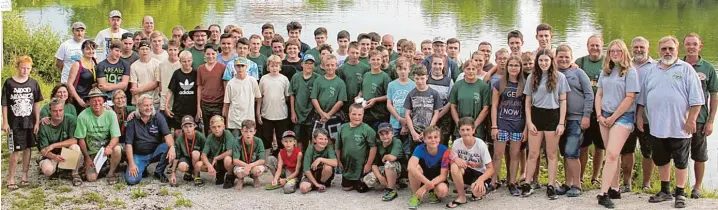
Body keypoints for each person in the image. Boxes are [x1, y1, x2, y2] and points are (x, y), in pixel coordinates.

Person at [638, 36, 705, 208]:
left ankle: (680, 193)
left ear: (677, 50)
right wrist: (639, 116)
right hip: (656, 126)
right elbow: (643, 98)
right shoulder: (652, 70)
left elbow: (697, 100)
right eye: (664, 49)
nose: (667, 52)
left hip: (680, 126)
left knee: (681, 161)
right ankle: (665, 191)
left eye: (671, 49)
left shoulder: (686, 70)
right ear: (658, 51)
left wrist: (691, 120)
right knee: (661, 159)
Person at [593, 39, 640, 208]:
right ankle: (614, 188)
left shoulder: (630, 72)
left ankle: (602, 193)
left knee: (611, 154)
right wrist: (599, 115)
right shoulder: (606, 71)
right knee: (613, 154)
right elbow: (599, 94)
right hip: (604, 115)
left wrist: (613, 118)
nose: (614, 53)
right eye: (612, 51)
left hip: (622, 117)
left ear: (624, 52)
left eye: (618, 51)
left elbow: (630, 98)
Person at [522, 49, 570, 198]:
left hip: (553, 115)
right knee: (533, 153)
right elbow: (528, 101)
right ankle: (527, 183)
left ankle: (551, 184)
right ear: (537, 61)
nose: (543, 63)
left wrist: (561, 123)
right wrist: (529, 122)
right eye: (541, 60)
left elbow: (563, 101)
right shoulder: (532, 77)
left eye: (546, 60)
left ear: (551, 61)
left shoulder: (560, 77)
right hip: (536, 115)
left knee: (551, 153)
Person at [681, 33, 717, 199]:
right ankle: (679, 186)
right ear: (684, 46)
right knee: (678, 154)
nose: (691, 47)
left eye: (694, 44)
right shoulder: (677, 65)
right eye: (688, 44)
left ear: (700, 46)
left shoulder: (708, 68)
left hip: (700, 120)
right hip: (678, 119)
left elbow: (714, 95)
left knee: (699, 155)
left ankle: (697, 187)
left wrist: (711, 121)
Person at [554, 44, 594, 197]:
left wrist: (586, 115)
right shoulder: (553, 73)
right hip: (559, 120)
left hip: (576, 119)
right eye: (560, 57)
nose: (563, 59)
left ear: (571, 58)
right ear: (555, 58)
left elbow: (589, 94)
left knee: (572, 152)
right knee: (565, 152)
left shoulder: (578, 72)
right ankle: (568, 183)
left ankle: (577, 184)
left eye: (566, 57)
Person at [2, 56, 43, 190]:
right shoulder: (9, 83)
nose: (25, 71)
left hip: (29, 122)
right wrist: (5, 122)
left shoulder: (33, 83)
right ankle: (11, 178)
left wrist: (37, 121)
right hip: (15, 123)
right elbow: (5, 104)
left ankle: (24, 175)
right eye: (23, 68)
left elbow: (37, 102)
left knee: (28, 148)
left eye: (28, 68)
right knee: (15, 151)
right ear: (18, 67)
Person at [490, 56, 526, 197]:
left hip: (518, 124)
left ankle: (512, 182)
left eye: (516, 65)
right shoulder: (499, 84)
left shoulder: (524, 85)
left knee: (515, 154)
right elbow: (494, 106)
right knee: (498, 154)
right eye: (511, 65)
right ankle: (493, 182)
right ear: (507, 67)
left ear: (520, 67)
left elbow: (527, 107)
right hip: (502, 123)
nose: (513, 68)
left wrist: (525, 129)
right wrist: (494, 126)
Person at [124, 95, 176, 185]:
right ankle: (141, 168)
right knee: (131, 180)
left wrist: (172, 147)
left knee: (169, 146)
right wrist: (132, 164)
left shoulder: (158, 117)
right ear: (139, 106)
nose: (149, 108)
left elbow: (167, 135)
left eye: (150, 105)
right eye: (145, 105)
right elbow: (128, 144)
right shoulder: (132, 120)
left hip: (155, 152)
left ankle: (159, 171)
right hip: (139, 155)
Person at [576, 35, 606, 187]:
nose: (595, 48)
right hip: (584, 111)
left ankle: (595, 177)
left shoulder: (608, 62)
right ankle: (579, 177)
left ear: (602, 45)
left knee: (600, 147)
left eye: (597, 45)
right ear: (587, 46)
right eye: (592, 45)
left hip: (603, 110)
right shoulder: (579, 62)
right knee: (583, 146)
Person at [75, 87, 122, 184]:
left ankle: (111, 173)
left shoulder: (110, 114)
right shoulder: (82, 116)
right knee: (91, 178)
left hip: (107, 150)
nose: (97, 103)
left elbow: (115, 137)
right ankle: (100, 168)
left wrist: (109, 147)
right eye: (94, 100)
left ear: (104, 101)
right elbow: (81, 139)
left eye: (99, 100)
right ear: (88, 102)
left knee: (117, 149)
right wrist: (87, 158)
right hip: (92, 152)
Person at [446, 117, 494, 208]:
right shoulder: (456, 143)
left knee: (476, 191)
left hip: (480, 174)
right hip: (467, 171)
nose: (465, 132)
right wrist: (455, 159)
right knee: (454, 165)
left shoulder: (480, 145)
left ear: (473, 130)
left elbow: (491, 169)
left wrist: (481, 180)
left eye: (468, 129)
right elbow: (451, 157)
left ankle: (479, 189)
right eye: (462, 130)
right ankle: (462, 196)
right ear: (459, 132)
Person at [630, 36, 657, 193]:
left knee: (648, 151)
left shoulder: (656, 67)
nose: (638, 50)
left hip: (648, 118)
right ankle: (627, 183)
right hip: (626, 115)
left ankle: (646, 184)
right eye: (635, 47)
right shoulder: (625, 65)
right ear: (631, 48)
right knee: (627, 151)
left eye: (642, 47)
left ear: (648, 48)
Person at [37, 98, 82, 185]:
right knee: (48, 171)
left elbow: (74, 140)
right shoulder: (44, 125)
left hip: (65, 152)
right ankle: (41, 161)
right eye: (55, 111)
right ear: (50, 111)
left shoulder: (70, 119)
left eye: (60, 110)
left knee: (75, 147)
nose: (58, 113)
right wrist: (53, 156)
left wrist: (54, 145)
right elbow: (43, 149)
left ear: (63, 109)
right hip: (51, 155)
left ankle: (75, 174)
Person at [335, 103, 378, 192]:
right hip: (348, 164)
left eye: (359, 114)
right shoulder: (343, 128)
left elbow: (373, 147)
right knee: (345, 188)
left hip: (361, 165)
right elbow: (338, 147)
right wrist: (339, 161)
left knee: (361, 189)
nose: (357, 117)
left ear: (363, 115)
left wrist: (369, 164)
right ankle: (353, 182)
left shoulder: (367, 129)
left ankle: (362, 180)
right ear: (349, 114)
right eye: (354, 114)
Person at [406, 126, 450, 209]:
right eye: (429, 137)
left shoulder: (445, 150)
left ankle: (432, 192)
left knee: (442, 191)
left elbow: (443, 176)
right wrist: (426, 183)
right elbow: (410, 166)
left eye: (435, 137)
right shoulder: (419, 148)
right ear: (424, 139)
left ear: (440, 139)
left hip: (437, 179)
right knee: (415, 168)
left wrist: (426, 187)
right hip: (423, 178)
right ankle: (416, 195)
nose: (433, 140)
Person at [449, 57, 491, 141]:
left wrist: (473, 126)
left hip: (477, 128)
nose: (471, 71)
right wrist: (459, 124)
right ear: (464, 70)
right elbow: (453, 106)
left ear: (477, 70)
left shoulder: (483, 86)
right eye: (468, 69)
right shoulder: (457, 85)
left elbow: (485, 109)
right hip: (461, 126)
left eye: (473, 69)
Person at [404, 66, 441, 157]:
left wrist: (428, 131)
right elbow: (407, 114)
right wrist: (413, 132)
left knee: (429, 156)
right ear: (413, 78)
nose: (420, 81)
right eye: (417, 78)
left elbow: (436, 113)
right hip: (415, 132)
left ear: (427, 77)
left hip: (429, 132)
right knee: (414, 156)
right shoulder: (411, 94)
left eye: (422, 78)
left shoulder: (434, 93)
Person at [258, 54, 291, 157]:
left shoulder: (284, 79)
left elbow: (287, 96)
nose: (274, 68)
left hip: (281, 114)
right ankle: (266, 161)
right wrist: (258, 113)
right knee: (266, 138)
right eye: (272, 66)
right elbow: (260, 97)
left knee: (281, 138)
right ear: (268, 67)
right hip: (266, 113)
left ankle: (282, 159)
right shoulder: (264, 79)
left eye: (276, 66)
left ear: (280, 67)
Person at [362, 123, 403, 201]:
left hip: (398, 169)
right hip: (384, 169)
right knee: (368, 180)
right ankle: (391, 183)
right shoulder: (378, 144)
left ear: (393, 133)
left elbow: (392, 158)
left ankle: (391, 190)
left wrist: (385, 156)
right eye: (382, 134)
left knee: (389, 163)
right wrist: (380, 177)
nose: (385, 136)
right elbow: (374, 164)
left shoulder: (397, 142)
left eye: (387, 133)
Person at [311, 54, 347, 140]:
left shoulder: (340, 82)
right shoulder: (318, 80)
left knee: (334, 140)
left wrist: (328, 115)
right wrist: (321, 113)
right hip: (319, 116)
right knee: (316, 139)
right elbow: (314, 98)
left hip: (334, 116)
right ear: (323, 66)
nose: (330, 67)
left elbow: (341, 101)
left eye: (332, 65)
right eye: (327, 65)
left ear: (336, 66)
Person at [223, 57, 261, 136]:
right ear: (234, 67)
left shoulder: (252, 81)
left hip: (249, 119)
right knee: (236, 143)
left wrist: (257, 113)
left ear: (246, 67)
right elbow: (227, 103)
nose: (240, 68)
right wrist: (227, 122)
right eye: (238, 66)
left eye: (242, 66)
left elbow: (258, 98)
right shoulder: (230, 83)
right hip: (234, 121)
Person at [290, 54, 320, 150]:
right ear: (302, 64)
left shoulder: (317, 78)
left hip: (312, 114)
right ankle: (300, 159)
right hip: (298, 113)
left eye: (311, 63)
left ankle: (309, 159)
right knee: (298, 138)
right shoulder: (296, 77)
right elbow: (292, 95)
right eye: (306, 63)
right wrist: (293, 112)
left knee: (312, 137)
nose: (309, 66)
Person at [166, 51, 199, 134]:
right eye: (184, 61)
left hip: (193, 109)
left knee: (192, 132)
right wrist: (166, 106)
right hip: (179, 109)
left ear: (192, 60)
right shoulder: (177, 73)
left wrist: (199, 108)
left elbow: (200, 90)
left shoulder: (196, 73)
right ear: (180, 61)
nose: (187, 63)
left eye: (189, 61)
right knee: (178, 132)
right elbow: (170, 91)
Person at [169, 115, 206, 187]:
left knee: (195, 153)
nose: (188, 129)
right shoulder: (180, 138)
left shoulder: (200, 136)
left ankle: (196, 175)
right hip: (186, 158)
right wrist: (173, 174)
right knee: (181, 166)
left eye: (190, 126)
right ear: (182, 127)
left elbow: (206, 151)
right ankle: (188, 172)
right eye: (185, 127)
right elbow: (177, 156)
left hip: (198, 158)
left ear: (194, 126)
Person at [197, 45, 227, 133]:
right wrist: (198, 106)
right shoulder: (200, 69)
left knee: (217, 128)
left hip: (218, 103)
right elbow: (199, 87)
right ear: (204, 55)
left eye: (213, 54)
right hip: (205, 103)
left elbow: (225, 87)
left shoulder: (222, 67)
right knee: (207, 129)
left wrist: (225, 106)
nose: (210, 56)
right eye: (208, 54)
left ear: (217, 54)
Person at [229, 120, 266, 190]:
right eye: (246, 131)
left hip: (254, 165)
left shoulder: (258, 141)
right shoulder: (237, 141)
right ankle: (241, 179)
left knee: (257, 171)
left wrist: (250, 166)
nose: (248, 134)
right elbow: (235, 160)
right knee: (239, 173)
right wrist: (246, 166)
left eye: (251, 131)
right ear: (241, 131)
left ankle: (255, 177)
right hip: (241, 165)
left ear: (255, 132)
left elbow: (262, 160)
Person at [299, 128, 337, 193]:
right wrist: (316, 184)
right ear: (314, 140)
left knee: (328, 167)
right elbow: (306, 170)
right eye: (320, 139)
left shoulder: (328, 148)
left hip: (324, 175)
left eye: (325, 139)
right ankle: (316, 185)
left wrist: (320, 159)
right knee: (303, 189)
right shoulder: (310, 149)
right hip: (312, 174)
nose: (323, 141)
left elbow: (335, 163)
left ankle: (322, 184)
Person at [361, 50, 392, 128]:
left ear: (381, 61)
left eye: (378, 59)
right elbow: (362, 90)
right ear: (369, 61)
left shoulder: (385, 77)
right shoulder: (366, 75)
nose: (376, 62)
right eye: (373, 59)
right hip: (366, 113)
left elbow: (389, 95)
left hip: (379, 114)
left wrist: (375, 99)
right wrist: (359, 96)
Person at [387, 58, 416, 141]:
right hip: (394, 122)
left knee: (407, 147)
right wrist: (399, 118)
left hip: (409, 122)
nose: (402, 71)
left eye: (405, 69)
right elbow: (389, 104)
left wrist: (406, 124)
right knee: (394, 144)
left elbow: (413, 106)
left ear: (409, 69)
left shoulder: (413, 85)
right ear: (396, 70)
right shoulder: (391, 85)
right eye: (400, 69)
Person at [201, 115, 235, 186]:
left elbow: (230, 151)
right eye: (214, 127)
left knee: (227, 159)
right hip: (216, 162)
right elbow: (203, 155)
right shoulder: (210, 137)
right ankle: (219, 172)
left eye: (219, 126)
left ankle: (230, 176)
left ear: (223, 126)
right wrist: (209, 166)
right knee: (199, 165)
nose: (216, 129)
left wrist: (217, 157)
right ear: (210, 128)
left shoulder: (227, 134)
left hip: (225, 160)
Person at [427, 56, 454, 144]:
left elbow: (450, 101)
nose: (437, 66)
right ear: (431, 64)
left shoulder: (449, 81)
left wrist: (438, 115)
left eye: (440, 64)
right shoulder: (426, 79)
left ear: (443, 66)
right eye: (435, 63)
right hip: (428, 115)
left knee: (442, 142)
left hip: (444, 116)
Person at [67, 40, 98, 112]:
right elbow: (69, 84)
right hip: (79, 98)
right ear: (82, 50)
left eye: (92, 49)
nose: (90, 51)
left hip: (91, 98)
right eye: (87, 49)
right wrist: (79, 100)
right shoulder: (77, 64)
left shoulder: (96, 62)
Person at [97, 40, 131, 107]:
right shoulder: (101, 65)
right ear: (110, 50)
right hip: (106, 98)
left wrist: (108, 88)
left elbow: (124, 84)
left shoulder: (125, 64)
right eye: (116, 50)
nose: (118, 54)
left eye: (121, 52)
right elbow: (102, 84)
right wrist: (119, 85)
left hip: (120, 97)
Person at [130, 40, 161, 107]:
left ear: (150, 51)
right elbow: (133, 87)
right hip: (139, 101)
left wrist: (138, 90)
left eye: (147, 49)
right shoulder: (133, 66)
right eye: (142, 49)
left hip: (154, 101)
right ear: (138, 50)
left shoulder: (157, 64)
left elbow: (156, 83)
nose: (144, 51)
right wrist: (138, 104)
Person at [158, 40, 182, 122]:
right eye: (170, 50)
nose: (173, 52)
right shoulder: (161, 64)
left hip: (178, 101)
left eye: (175, 50)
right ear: (167, 50)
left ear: (178, 50)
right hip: (164, 101)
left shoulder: (182, 64)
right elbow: (160, 83)